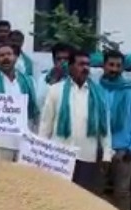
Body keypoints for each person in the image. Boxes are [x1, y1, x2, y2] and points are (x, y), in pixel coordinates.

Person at [39, 49, 112, 191]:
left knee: (82, 198)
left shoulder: (98, 93)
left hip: (87, 155)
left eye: (87, 65)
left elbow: (105, 127)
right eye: (81, 64)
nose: (85, 68)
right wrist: (41, 152)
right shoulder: (55, 90)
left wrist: (106, 155)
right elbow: (45, 125)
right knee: (58, 194)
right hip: (60, 155)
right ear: (70, 67)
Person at [99, 50, 131, 210]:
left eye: (118, 66)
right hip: (97, 149)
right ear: (104, 66)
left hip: (123, 151)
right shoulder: (95, 88)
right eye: (111, 65)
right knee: (95, 193)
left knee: (122, 193)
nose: (114, 69)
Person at [0, 42, 39, 162]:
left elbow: (34, 114)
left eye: (9, 54)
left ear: (15, 57)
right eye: (1, 55)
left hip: (23, 141)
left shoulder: (28, 82)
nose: (6, 58)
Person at [36, 43, 73, 110]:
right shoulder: (44, 78)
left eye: (66, 59)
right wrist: (54, 81)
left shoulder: (75, 79)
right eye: (59, 59)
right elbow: (39, 102)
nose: (62, 62)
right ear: (54, 60)